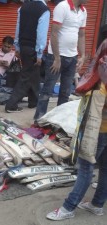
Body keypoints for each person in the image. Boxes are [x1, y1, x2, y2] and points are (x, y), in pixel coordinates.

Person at [46, 38, 107, 221]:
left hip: (100, 127)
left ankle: (68, 207)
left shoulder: (103, 73)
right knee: (105, 167)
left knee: (86, 168)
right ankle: (96, 205)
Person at [34, 0, 87, 121]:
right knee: (48, 90)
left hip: (72, 57)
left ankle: (58, 120)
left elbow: (82, 35)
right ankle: (38, 118)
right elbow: (54, 33)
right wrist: (57, 58)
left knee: (65, 92)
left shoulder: (83, 11)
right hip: (56, 57)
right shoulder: (62, 7)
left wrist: (82, 55)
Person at [4, 0, 50, 113]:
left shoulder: (23, 8)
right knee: (26, 77)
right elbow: (41, 34)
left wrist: (17, 47)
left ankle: (33, 101)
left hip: (24, 47)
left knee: (34, 74)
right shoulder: (44, 10)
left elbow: (18, 28)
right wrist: (39, 53)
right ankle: (11, 105)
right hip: (33, 49)